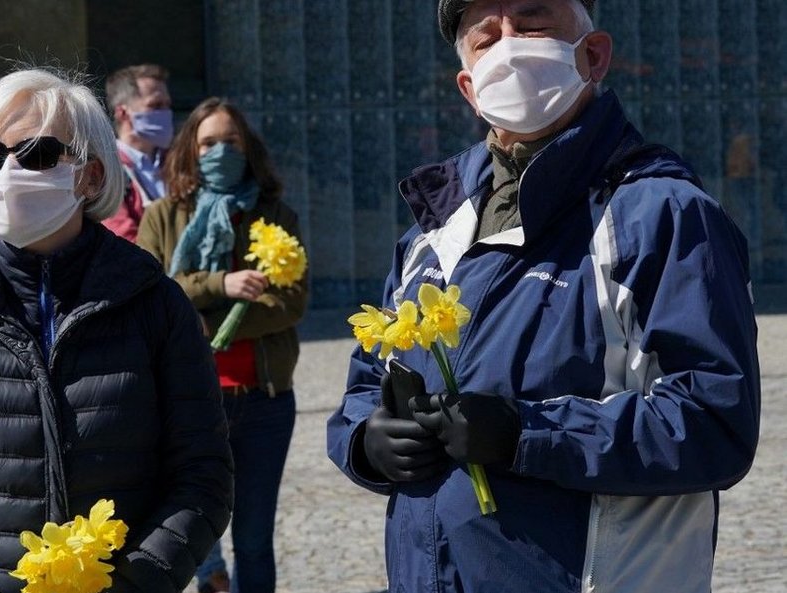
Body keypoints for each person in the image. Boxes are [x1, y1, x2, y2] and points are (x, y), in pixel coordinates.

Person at [326, 1, 761, 592]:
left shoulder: (663, 216)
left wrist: (525, 433)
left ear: (595, 55)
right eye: (486, 37)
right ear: (468, 87)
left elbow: (713, 423)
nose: (509, 46)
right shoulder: (433, 231)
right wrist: (365, 439)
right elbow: (364, 384)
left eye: (532, 23)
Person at [0, 68, 233, 593]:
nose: (7, 172)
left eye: (36, 154)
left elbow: (203, 475)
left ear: (91, 176)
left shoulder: (153, 301)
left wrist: (135, 583)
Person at [136, 97, 308, 593]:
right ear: (190, 149)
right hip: (188, 402)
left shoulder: (275, 214)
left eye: (229, 141)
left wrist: (203, 318)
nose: (219, 151)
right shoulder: (162, 217)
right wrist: (222, 286)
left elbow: (291, 303)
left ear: (247, 147)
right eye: (208, 142)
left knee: (254, 538)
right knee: (195, 534)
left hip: (263, 402)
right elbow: (154, 296)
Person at [103, 63, 174, 241]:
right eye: (156, 105)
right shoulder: (106, 170)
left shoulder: (177, 163)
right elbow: (123, 239)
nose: (166, 112)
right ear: (122, 113)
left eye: (167, 105)